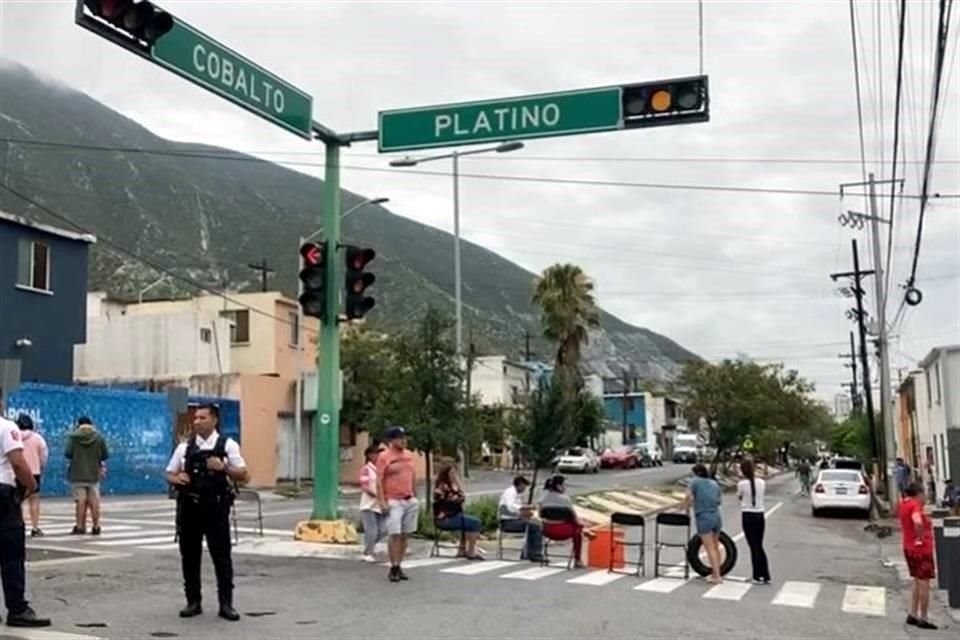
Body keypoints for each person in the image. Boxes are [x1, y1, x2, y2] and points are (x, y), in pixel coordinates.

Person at [165, 404, 248, 621]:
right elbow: (169, 473)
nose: (197, 421)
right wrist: (177, 478)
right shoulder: (184, 448)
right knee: (189, 557)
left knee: (221, 557)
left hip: (216, 509)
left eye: (202, 417)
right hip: (189, 509)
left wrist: (224, 468)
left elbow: (244, 475)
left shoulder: (227, 445)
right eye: (195, 418)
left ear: (214, 420)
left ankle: (226, 604)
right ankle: (193, 601)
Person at [0, 414, 51, 628]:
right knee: (11, 553)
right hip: (2, 496)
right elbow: (18, 464)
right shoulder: (6, 427)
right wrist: (32, 485)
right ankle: (17, 609)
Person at [376, 426, 419, 583]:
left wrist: (415, 495)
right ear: (392, 440)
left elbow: (412, 475)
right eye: (400, 438)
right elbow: (379, 480)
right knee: (394, 533)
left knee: (405, 534)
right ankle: (393, 566)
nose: (403, 440)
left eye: (404, 437)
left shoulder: (408, 455)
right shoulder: (385, 457)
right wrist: (382, 501)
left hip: (409, 498)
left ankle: (399, 564)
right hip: (393, 500)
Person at [899, 482, 938, 630]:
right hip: (921, 550)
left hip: (908, 547)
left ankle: (913, 613)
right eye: (924, 493)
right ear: (919, 494)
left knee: (916, 580)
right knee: (924, 584)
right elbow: (916, 520)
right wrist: (921, 537)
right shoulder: (915, 505)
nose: (926, 496)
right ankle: (924, 617)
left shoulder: (904, 503)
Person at [65, 416, 109, 535]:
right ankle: (96, 526)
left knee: (80, 501)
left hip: (77, 473)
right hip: (94, 473)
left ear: (79, 424)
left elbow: (68, 453)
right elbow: (105, 454)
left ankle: (80, 526)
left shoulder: (73, 437)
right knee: (94, 501)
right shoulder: (99, 437)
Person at [539, 475, 594, 569]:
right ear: (559, 486)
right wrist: (585, 524)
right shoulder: (565, 499)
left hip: (547, 531)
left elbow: (541, 515)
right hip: (563, 531)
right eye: (564, 485)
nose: (565, 487)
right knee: (578, 529)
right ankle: (578, 560)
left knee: (577, 525)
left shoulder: (543, 500)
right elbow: (575, 520)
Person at [433, 463, 483, 560]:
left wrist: (457, 482)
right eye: (452, 473)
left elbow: (461, 496)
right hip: (446, 519)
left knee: (469, 521)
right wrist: (458, 485)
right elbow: (459, 498)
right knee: (475, 523)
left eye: (455, 473)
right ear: (445, 474)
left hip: (453, 516)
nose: (454, 475)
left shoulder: (452, 486)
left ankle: (462, 549)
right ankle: (471, 552)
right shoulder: (443, 487)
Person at [684, 463, 723, 584]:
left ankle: (716, 576)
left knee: (709, 548)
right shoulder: (714, 483)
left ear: (696, 473)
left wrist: (686, 509)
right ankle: (717, 572)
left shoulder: (695, 482)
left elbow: (688, 497)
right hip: (716, 516)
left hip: (704, 516)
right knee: (715, 547)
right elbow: (719, 501)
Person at [738, 458, 771, 585]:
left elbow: (740, 496)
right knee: (759, 545)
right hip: (760, 515)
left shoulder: (741, 484)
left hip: (748, 515)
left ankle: (757, 575)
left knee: (753, 546)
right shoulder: (762, 482)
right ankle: (765, 574)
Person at [498, 475, 544, 562]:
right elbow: (510, 508)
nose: (524, 489)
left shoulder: (515, 494)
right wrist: (525, 509)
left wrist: (525, 513)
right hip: (508, 522)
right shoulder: (510, 493)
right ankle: (535, 554)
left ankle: (527, 552)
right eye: (524, 486)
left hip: (512, 520)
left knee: (535, 524)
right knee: (535, 527)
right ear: (520, 484)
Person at [16, 415, 48, 538]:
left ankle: (19, 524)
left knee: (17, 501)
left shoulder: (14, 436)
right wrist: (40, 465)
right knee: (34, 500)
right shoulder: (38, 438)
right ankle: (35, 527)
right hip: (34, 472)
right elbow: (44, 455)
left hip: (17, 473)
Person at [359, 444, 385, 563]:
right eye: (376, 453)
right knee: (372, 531)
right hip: (368, 505)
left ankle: (370, 547)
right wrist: (377, 495)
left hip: (380, 505)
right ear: (370, 455)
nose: (379, 456)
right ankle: (368, 552)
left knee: (383, 530)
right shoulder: (366, 469)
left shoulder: (382, 469)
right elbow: (365, 486)